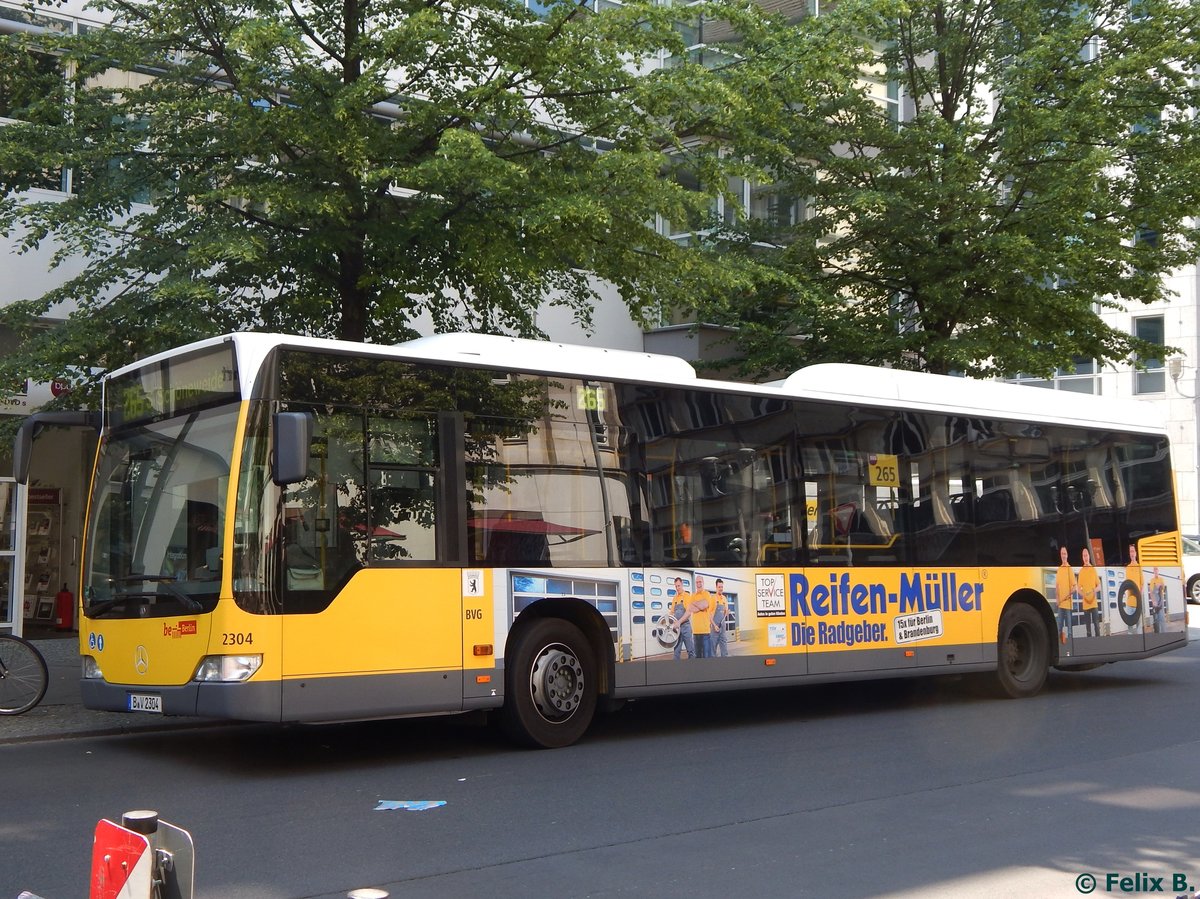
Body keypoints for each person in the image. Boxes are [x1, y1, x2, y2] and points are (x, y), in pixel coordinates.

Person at [1077, 546, 1101, 638]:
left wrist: (1093, 591)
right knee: (1088, 630)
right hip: (1085, 604)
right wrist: (1083, 595)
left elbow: (1099, 586)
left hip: (1094, 604)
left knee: (1097, 627)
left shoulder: (1093, 570)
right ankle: (1089, 647)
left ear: (1089, 556)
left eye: (1086, 555)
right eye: (1083, 556)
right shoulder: (1081, 572)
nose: (1085, 557)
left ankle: (1098, 645)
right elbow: (1078, 588)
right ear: (1082, 557)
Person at [1055, 545, 1076, 645]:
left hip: (1068, 605)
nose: (1063, 555)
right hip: (1060, 605)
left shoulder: (1069, 569)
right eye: (1062, 554)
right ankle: (1060, 647)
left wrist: (1065, 596)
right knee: (1059, 627)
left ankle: (1070, 646)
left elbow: (1074, 588)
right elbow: (1057, 586)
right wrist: (1057, 599)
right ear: (1060, 555)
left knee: (1069, 628)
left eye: (1065, 553)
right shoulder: (1059, 569)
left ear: (1067, 555)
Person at [689, 575, 714, 659]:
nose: (698, 584)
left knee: (707, 657)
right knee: (698, 657)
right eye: (697, 582)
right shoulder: (692, 595)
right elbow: (691, 608)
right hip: (695, 632)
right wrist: (700, 605)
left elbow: (705, 605)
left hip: (705, 632)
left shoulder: (707, 594)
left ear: (703, 583)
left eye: (700, 582)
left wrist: (695, 603)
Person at [670, 576, 695, 660]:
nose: (677, 588)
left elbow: (688, 613)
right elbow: (672, 612)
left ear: (682, 584)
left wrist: (679, 622)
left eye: (678, 586)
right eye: (676, 586)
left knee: (690, 650)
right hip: (677, 629)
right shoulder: (675, 598)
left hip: (686, 627)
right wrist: (668, 622)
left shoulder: (687, 596)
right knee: (676, 651)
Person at [1125, 544, 1143, 635]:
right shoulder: (1127, 568)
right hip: (1129, 602)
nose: (1132, 553)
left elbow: (1142, 584)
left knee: (1139, 626)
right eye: (1130, 552)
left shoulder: (1139, 567)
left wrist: (1139, 598)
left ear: (1136, 553)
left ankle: (1139, 642)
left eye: (1133, 551)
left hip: (1137, 603)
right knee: (1130, 626)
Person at [711, 578, 730, 657]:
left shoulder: (725, 599)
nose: (721, 589)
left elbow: (725, 613)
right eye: (719, 587)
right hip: (715, 628)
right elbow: (710, 615)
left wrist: (727, 612)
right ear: (716, 587)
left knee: (724, 650)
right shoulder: (713, 599)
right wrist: (714, 625)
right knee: (713, 650)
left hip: (723, 628)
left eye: (722, 587)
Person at [1149, 567, 1167, 633]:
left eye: (1157, 570)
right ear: (1153, 572)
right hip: (1155, 601)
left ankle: (1164, 633)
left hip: (1160, 600)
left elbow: (1163, 589)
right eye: (1154, 571)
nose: (1156, 572)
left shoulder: (1161, 579)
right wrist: (1153, 601)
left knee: (1162, 618)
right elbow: (1151, 592)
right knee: (1156, 619)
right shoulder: (1152, 580)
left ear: (1158, 571)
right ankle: (1157, 633)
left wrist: (1160, 585)